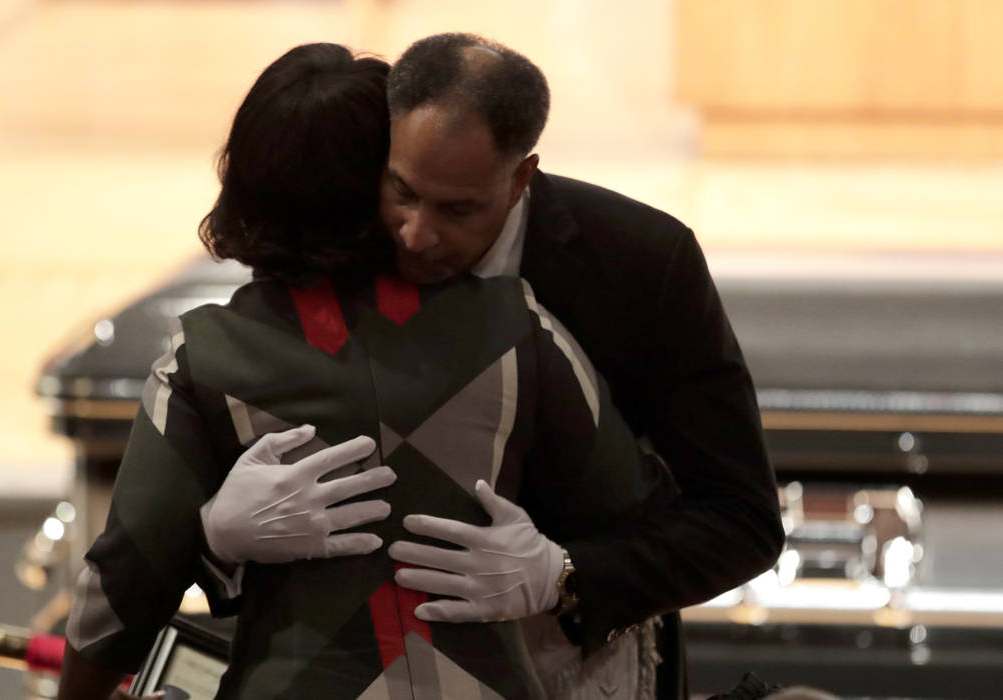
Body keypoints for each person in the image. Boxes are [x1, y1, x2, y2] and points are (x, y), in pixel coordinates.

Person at [58, 43, 679, 699]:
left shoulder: (205, 353)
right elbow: (634, 505)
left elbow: (127, 576)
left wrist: (208, 539)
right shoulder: (520, 326)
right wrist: (556, 568)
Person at [203, 33, 784, 699]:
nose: (417, 234)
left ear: (521, 177)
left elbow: (742, 521)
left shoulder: (644, 264)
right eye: (404, 192)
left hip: (581, 661)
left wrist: (562, 574)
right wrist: (216, 532)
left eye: (459, 209)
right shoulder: (346, 229)